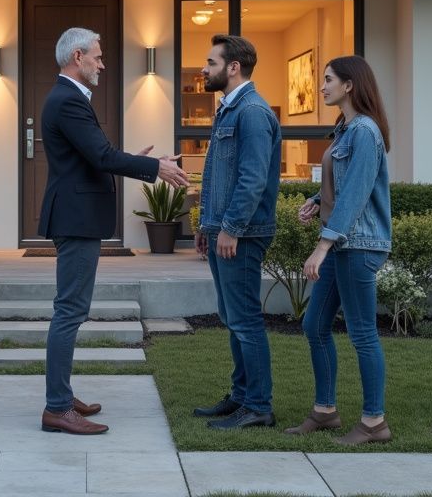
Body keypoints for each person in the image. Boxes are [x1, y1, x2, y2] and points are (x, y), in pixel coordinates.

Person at [39, 26, 189, 436]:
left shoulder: (70, 99)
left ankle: (62, 397)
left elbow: (95, 157)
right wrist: (156, 168)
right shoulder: (68, 101)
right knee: (70, 310)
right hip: (75, 219)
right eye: (98, 57)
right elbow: (101, 156)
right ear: (78, 57)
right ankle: (56, 408)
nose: (102, 64)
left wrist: (133, 159)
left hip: (77, 216)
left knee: (72, 309)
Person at [285, 54, 393, 445]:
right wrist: (317, 199)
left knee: (363, 333)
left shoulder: (365, 131)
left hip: (356, 245)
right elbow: (341, 185)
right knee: (314, 325)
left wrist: (321, 247)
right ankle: (325, 411)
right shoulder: (345, 130)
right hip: (341, 244)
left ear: (349, 85)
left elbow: (356, 195)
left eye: (328, 79)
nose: (321, 85)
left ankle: (374, 422)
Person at [193, 34, 281, 430]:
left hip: (242, 235)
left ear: (233, 67)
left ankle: (259, 406)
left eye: (210, 63)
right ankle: (242, 396)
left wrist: (229, 228)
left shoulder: (252, 113)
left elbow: (252, 178)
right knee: (231, 316)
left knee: (244, 319)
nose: (204, 69)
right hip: (222, 232)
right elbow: (216, 175)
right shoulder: (228, 110)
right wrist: (206, 227)